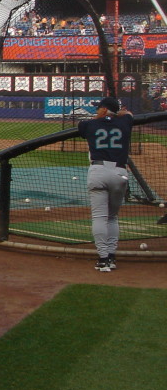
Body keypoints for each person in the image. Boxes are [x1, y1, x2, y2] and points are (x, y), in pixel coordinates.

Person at [78, 97, 133, 271]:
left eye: (98, 109)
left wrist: (103, 117)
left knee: (99, 217)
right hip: (119, 172)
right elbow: (129, 114)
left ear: (103, 110)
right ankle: (111, 256)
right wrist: (117, 113)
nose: (96, 111)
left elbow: (84, 125)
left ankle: (103, 259)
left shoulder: (88, 125)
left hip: (98, 172)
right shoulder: (125, 122)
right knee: (112, 217)